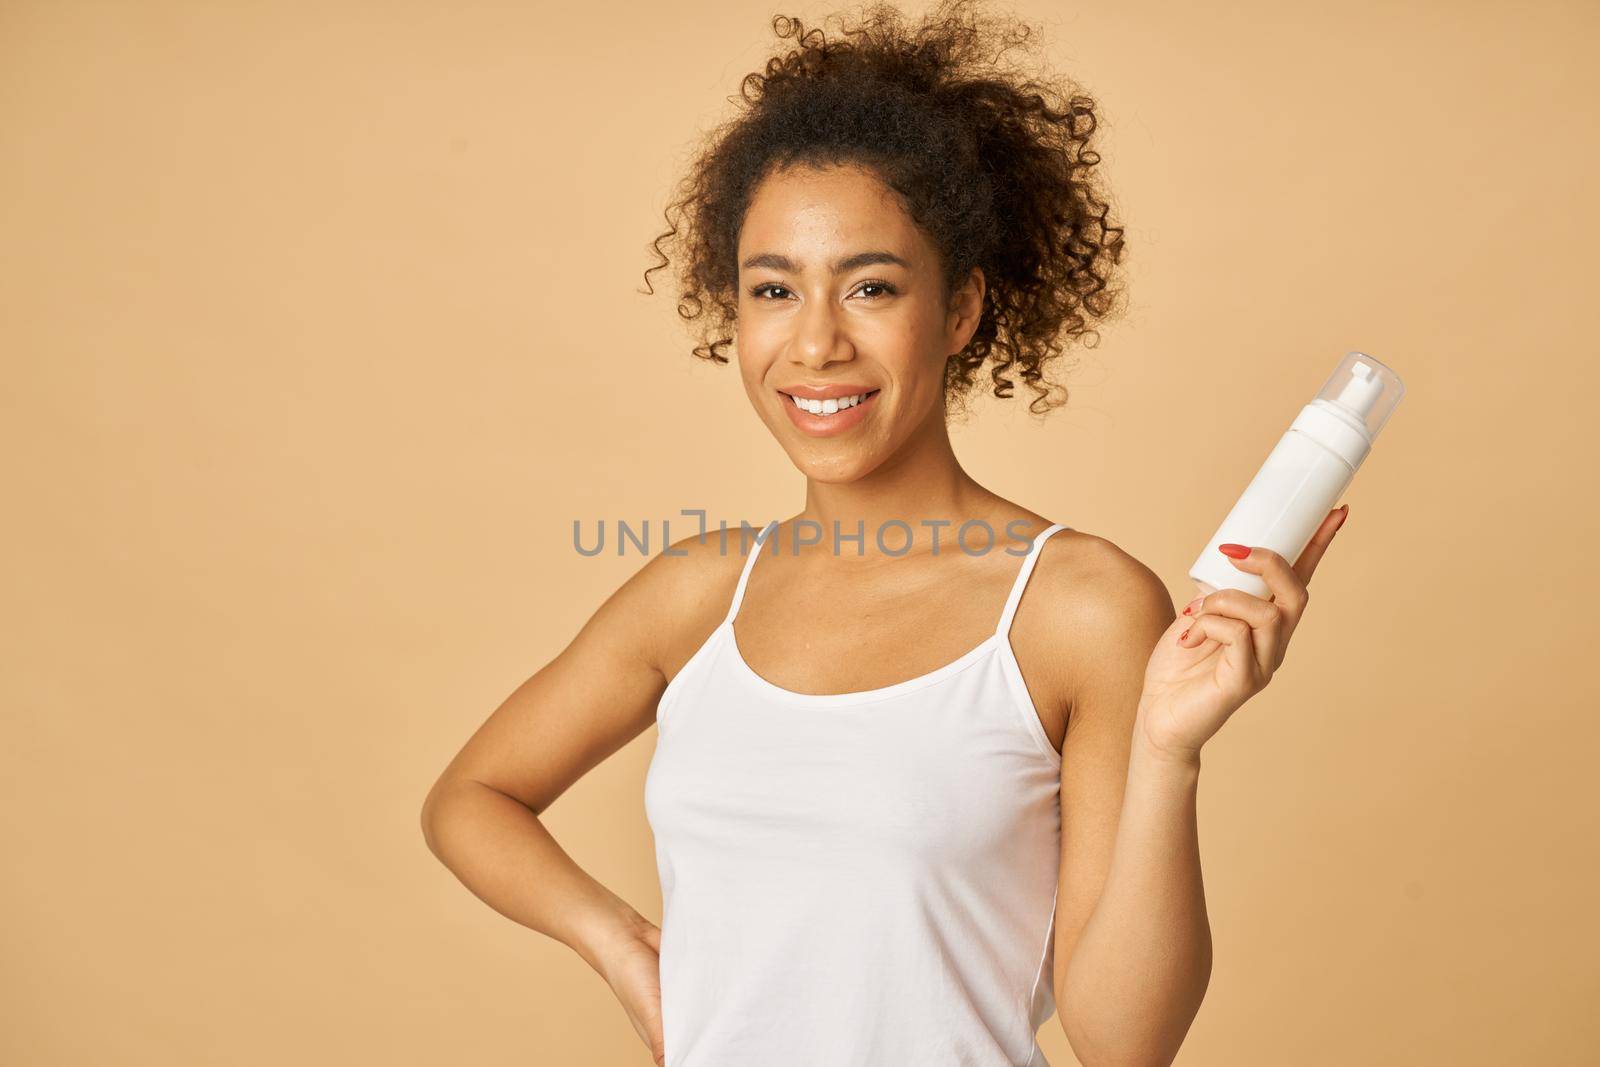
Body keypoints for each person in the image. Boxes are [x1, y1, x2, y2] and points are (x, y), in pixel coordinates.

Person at [421, 2, 1349, 1064]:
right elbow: (470, 799)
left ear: (959, 310)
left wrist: (1168, 754)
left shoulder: (1078, 606)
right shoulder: (698, 590)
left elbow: (1122, 1040)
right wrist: (624, 945)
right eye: (774, 289)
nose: (815, 342)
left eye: (870, 287)